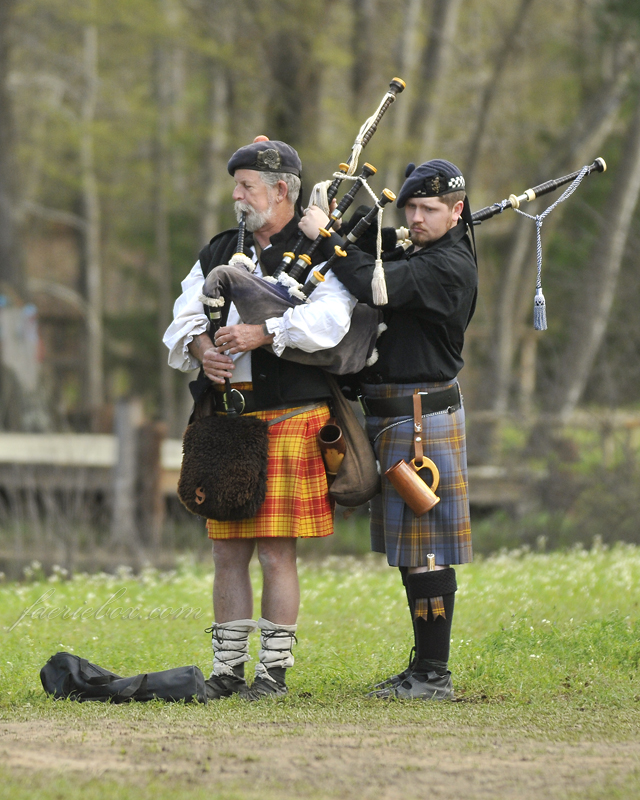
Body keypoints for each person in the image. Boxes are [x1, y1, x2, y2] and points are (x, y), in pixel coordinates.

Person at [163, 138, 357, 701]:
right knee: (226, 548)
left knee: (276, 548)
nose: (236, 195)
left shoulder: (320, 248)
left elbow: (330, 321)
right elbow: (184, 315)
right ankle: (226, 669)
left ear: (281, 191)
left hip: (292, 414)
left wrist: (263, 332)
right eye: (236, 185)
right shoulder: (221, 248)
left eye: (247, 186)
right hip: (228, 416)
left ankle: (272, 674)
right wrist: (204, 351)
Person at [299, 158, 477, 700]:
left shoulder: (448, 266)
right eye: (411, 208)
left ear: (457, 211)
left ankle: (432, 675)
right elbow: (379, 250)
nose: (417, 218)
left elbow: (374, 282)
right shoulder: (423, 250)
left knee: (426, 548)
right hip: (398, 415)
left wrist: (324, 237)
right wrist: (349, 219)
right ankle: (423, 667)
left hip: (419, 420)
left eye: (429, 209)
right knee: (412, 548)